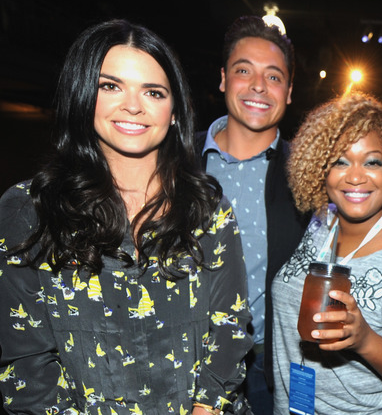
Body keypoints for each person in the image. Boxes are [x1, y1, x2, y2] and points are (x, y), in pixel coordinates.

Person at [0, 20, 252, 414]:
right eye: (111, 86)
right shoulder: (29, 210)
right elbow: (26, 365)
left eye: (153, 91)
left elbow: (231, 328)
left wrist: (206, 407)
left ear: (173, 112)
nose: (133, 105)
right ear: (83, 95)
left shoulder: (207, 210)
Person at [195, 16, 382, 414]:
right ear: (222, 79)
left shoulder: (309, 176)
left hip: (269, 367)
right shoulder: (174, 164)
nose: (257, 86)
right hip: (183, 354)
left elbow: (365, 198)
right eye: (243, 71)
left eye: (273, 77)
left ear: (288, 92)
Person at [271, 92, 382, 414]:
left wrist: (365, 341)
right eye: (340, 161)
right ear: (319, 168)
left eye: (372, 162)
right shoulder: (317, 223)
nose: (355, 176)